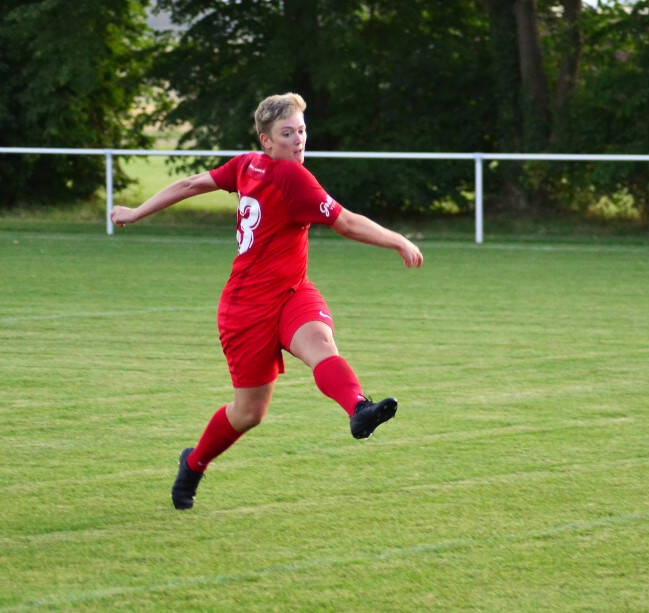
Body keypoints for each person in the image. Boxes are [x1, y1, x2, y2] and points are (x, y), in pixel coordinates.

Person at [110, 92, 423, 510]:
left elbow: (191, 184)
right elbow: (345, 223)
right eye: (287, 133)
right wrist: (398, 239)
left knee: (321, 345)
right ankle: (194, 462)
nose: (299, 140)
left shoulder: (247, 165)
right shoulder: (291, 177)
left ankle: (359, 408)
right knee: (249, 413)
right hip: (246, 310)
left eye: (302, 131)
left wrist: (136, 212)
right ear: (267, 141)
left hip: (292, 292)